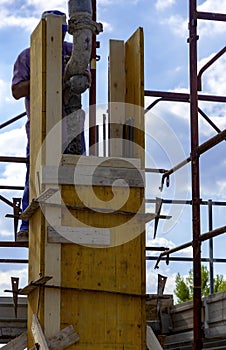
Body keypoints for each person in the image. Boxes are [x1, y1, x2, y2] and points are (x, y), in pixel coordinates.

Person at [11, 10, 87, 241]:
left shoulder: (70, 52)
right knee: (35, 173)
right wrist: (46, 77)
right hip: (40, 124)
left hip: (70, 123)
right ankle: (27, 225)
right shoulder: (28, 55)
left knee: (76, 170)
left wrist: (72, 79)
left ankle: (76, 219)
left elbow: (84, 79)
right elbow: (16, 90)